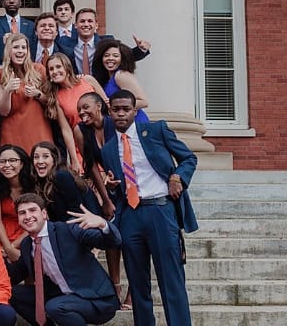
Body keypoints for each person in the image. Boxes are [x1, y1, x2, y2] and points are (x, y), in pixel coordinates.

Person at [101, 89, 198, 326]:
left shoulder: (156, 131)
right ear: (109, 112)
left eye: (126, 109)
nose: (121, 114)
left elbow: (189, 158)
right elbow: (120, 186)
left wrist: (177, 177)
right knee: (137, 281)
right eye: (116, 109)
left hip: (160, 211)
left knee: (171, 279)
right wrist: (113, 186)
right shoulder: (108, 149)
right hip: (131, 216)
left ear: (135, 111)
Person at [8, 193, 121, 326]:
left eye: (32, 210)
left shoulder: (68, 229)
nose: (27, 216)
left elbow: (112, 242)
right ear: (19, 219)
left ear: (44, 214)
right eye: (22, 213)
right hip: (61, 296)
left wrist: (103, 225)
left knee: (55, 307)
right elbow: (13, 276)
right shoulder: (27, 245)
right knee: (12, 293)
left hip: (96, 299)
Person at [73, 92, 128, 309]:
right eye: (79, 109)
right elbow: (91, 164)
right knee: (112, 235)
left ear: (99, 106)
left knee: (133, 240)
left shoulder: (115, 123)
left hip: (131, 184)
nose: (82, 112)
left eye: (86, 106)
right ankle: (115, 288)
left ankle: (133, 293)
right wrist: (105, 198)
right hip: (109, 186)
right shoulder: (80, 130)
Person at [0, 33, 78, 165]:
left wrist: (38, 94)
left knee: (42, 167)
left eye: (24, 47)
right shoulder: (0, 74)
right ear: (8, 50)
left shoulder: (39, 69)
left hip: (39, 128)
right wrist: (8, 90)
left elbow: (52, 102)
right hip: (12, 131)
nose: (20, 51)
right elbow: (3, 111)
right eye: (16, 47)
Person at [57, 7, 151, 77]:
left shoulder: (107, 41)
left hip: (102, 90)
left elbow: (127, 55)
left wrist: (141, 49)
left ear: (96, 25)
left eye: (90, 21)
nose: (86, 24)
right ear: (76, 25)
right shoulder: (64, 42)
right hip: (76, 89)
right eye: (82, 21)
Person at [0, 145, 34, 263]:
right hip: (2, 232)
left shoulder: (33, 184)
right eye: (2, 161)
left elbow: (38, 219)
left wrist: (12, 247)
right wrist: (7, 248)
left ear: (22, 164)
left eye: (12, 160)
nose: (7, 165)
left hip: (28, 230)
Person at [29, 141, 100, 222]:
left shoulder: (61, 175)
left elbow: (76, 209)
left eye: (45, 156)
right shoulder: (40, 181)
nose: (40, 161)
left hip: (84, 225)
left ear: (54, 159)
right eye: (36, 157)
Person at [92, 39, 150, 123]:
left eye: (115, 56)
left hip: (135, 123)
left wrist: (117, 106)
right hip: (120, 123)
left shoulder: (121, 75)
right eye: (106, 55)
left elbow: (144, 102)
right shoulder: (108, 77)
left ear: (122, 59)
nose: (110, 58)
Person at [0, 0, 35, 67]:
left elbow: (34, 50)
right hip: (2, 70)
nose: (11, 1)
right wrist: (0, 68)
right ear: (3, 3)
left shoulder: (31, 25)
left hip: (26, 70)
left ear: (20, 3)